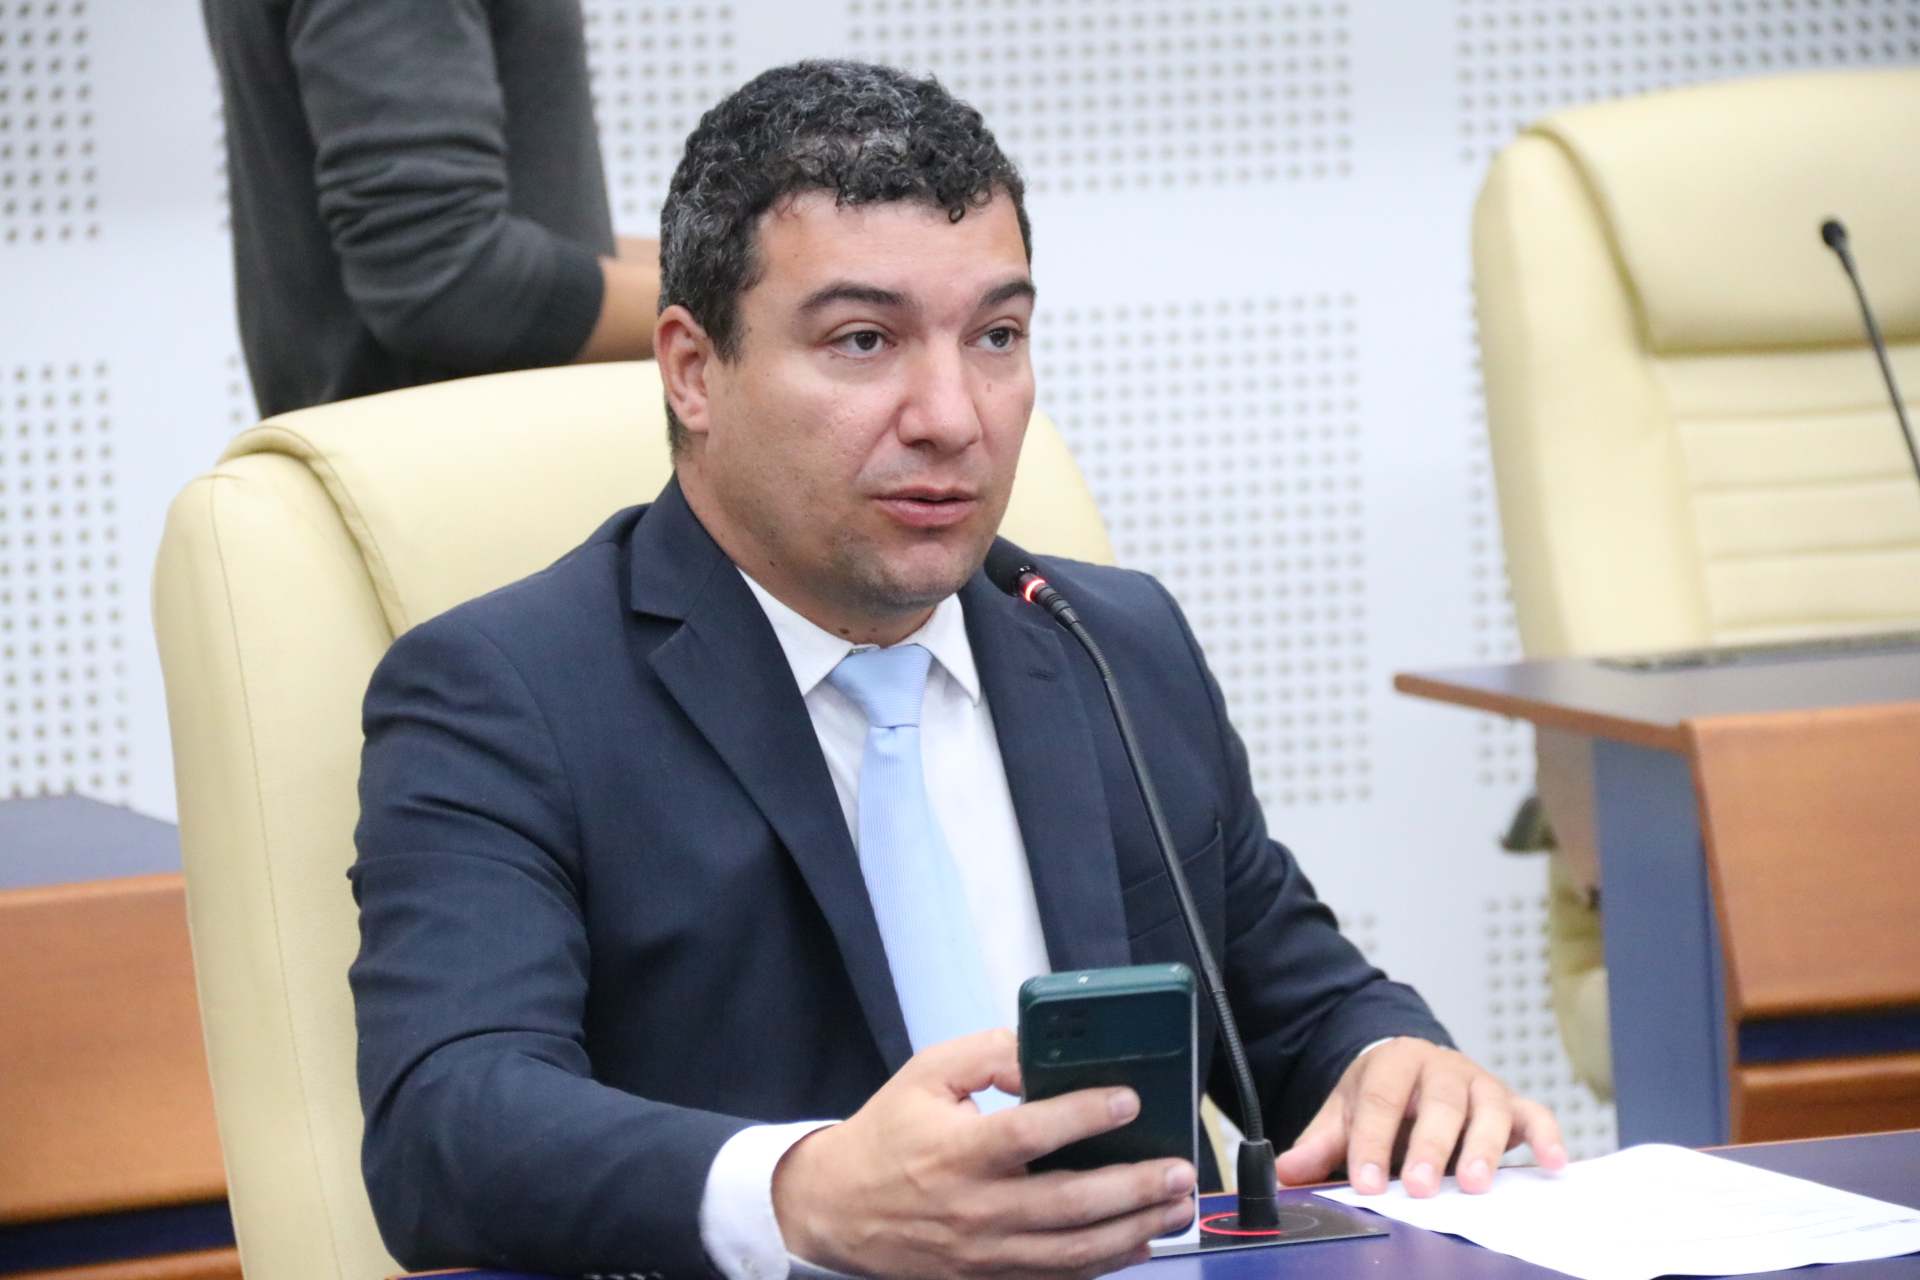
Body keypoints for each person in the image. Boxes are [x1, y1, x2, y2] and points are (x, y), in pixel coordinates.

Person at [349, 60, 1566, 1280]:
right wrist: (801, 1192)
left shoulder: (1109, 642)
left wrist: (1396, 1064)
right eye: (864, 340)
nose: (952, 415)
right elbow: (450, 1123)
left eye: (996, 336)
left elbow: (1302, 1008)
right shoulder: (506, 691)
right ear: (692, 369)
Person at [204, 0, 661, 417]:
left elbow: (456, 236)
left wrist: (698, 266)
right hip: (463, 460)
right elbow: (443, 274)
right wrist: (703, 305)